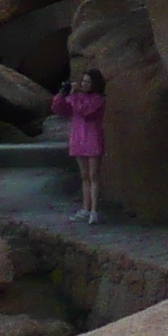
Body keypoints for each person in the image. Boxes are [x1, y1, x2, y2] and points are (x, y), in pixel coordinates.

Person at [52, 68, 106, 224]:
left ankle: (94, 210)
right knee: (84, 176)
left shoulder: (98, 99)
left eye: (88, 82)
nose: (84, 84)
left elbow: (85, 111)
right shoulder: (76, 97)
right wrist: (62, 95)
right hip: (78, 139)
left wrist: (73, 96)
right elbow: (60, 110)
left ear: (95, 84)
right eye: (83, 81)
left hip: (93, 139)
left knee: (93, 175)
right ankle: (85, 208)